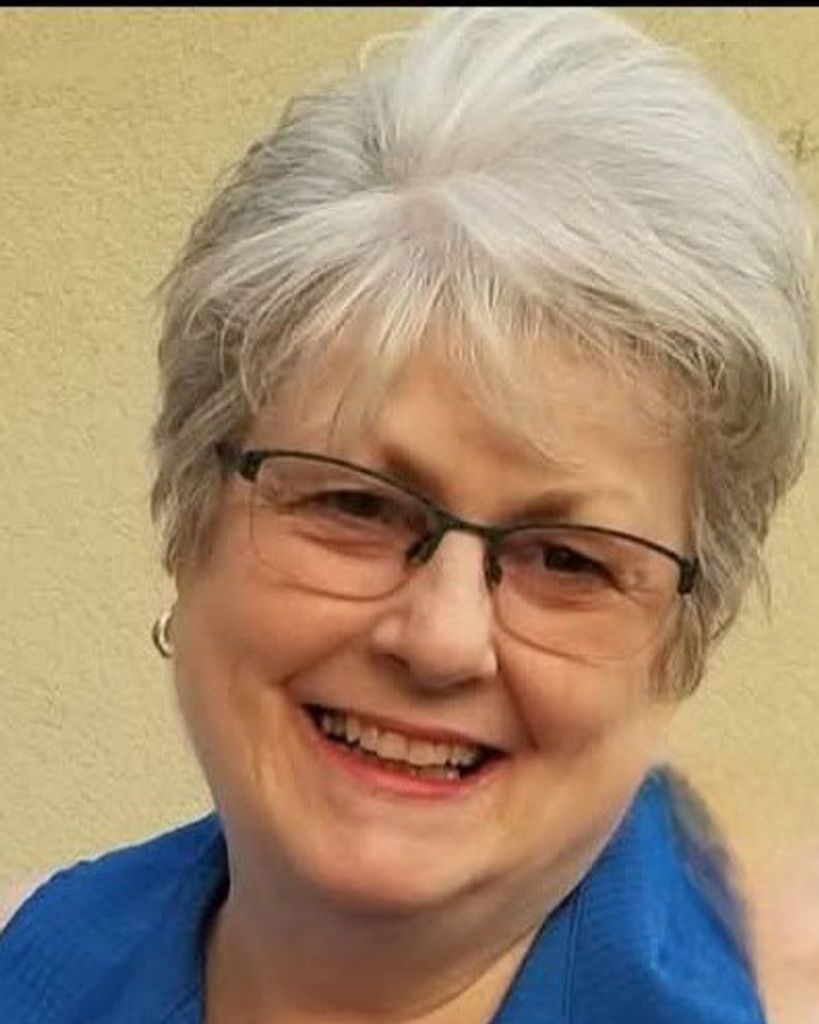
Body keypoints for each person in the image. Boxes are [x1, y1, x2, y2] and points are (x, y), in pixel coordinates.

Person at [0, 7, 815, 1023]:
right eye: (354, 503)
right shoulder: (33, 962)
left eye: (568, 559)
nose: (441, 639)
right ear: (187, 519)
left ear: (679, 649)